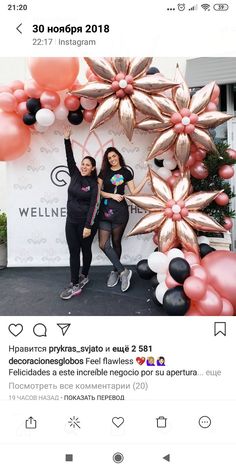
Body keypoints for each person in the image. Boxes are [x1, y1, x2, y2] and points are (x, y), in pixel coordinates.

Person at [98, 147, 148, 292]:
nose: (112, 159)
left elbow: (133, 192)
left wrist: (145, 179)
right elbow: (98, 191)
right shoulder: (104, 172)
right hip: (105, 211)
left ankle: (115, 271)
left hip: (120, 212)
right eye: (109, 158)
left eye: (114, 156)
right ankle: (123, 271)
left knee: (116, 242)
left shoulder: (126, 172)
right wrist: (112, 195)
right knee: (103, 244)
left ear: (118, 156)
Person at [60, 125, 99, 300]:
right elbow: (70, 158)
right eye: (83, 164)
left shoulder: (94, 184)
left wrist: (88, 226)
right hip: (71, 221)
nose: (83, 167)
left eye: (87, 165)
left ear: (92, 168)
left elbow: (93, 206)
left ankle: (84, 275)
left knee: (86, 249)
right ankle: (74, 283)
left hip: (86, 224)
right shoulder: (75, 174)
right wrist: (66, 139)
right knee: (73, 251)